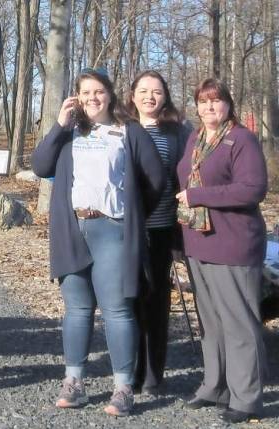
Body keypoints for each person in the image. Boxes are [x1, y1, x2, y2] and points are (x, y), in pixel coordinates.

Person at [31, 68, 165, 417]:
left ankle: (123, 388)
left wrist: (131, 212)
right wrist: (60, 125)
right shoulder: (70, 132)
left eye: (99, 91)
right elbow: (40, 164)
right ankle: (74, 382)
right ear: (77, 96)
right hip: (72, 230)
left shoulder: (127, 131)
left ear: (110, 94)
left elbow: (155, 179)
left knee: (117, 310)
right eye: (86, 92)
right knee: (76, 309)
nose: (93, 98)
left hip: (112, 230)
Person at [177, 78, 267, 424]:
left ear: (228, 104)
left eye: (215, 101)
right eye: (202, 102)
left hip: (233, 244)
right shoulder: (196, 138)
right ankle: (215, 385)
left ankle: (247, 397)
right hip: (198, 243)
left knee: (239, 323)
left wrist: (199, 197)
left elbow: (251, 189)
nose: (209, 108)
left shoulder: (241, 140)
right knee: (211, 324)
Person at [125, 70, 190, 395]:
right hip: (124, 231)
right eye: (144, 90)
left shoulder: (177, 132)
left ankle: (153, 374)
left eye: (158, 92)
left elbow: (188, 176)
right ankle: (129, 373)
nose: (150, 97)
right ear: (132, 94)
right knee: (129, 301)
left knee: (156, 302)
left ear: (165, 97)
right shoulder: (120, 129)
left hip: (161, 228)